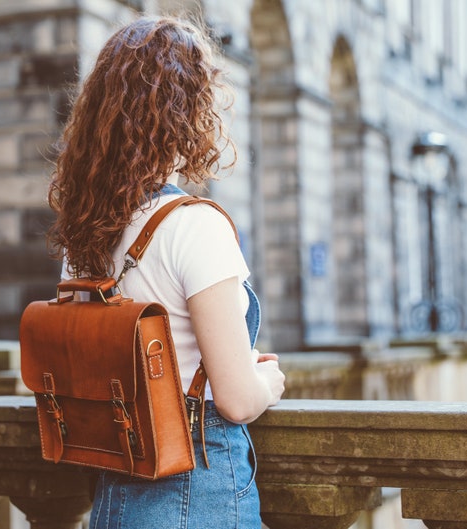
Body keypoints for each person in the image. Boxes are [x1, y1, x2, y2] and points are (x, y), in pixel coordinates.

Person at [47, 15, 286, 529]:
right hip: (197, 494)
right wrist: (266, 378)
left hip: (113, 497)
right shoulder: (196, 227)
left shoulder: (86, 235)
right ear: (188, 112)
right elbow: (238, 400)